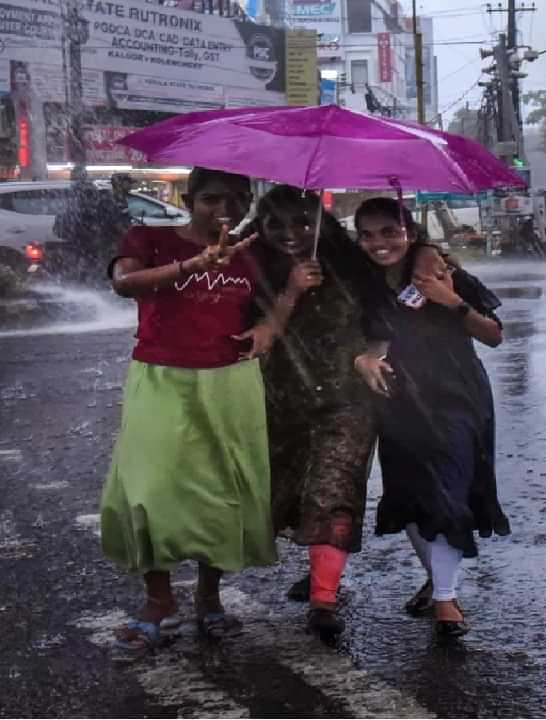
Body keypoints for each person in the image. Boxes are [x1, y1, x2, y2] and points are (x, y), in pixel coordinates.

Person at [100, 167, 285, 660]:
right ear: (188, 198)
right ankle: (158, 600)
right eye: (212, 198)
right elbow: (124, 283)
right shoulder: (149, 237)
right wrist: (196, 263)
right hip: (160, 378)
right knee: (149, 490)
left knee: (221, 492)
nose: (226, 207)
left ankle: (209, 598)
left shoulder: (252, 252)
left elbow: (279, 302)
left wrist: (272, 324)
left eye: (239, 197)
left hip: (230, 380)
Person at [352, 198, 509, 639]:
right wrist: (364, 359)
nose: (379, 243)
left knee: (448, 493)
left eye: (389, 231)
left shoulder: (441, 272)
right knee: (412, 499)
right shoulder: (360, 282)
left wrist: (451, 300)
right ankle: (439, 583)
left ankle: (445, 599)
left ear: (410, 232)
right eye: (367, 234)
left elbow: (494, 336)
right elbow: (368, 340)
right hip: (398, 401)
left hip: (456, 397)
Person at [250, 185, 378, 639]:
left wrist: (371, 353)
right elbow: (250, 338)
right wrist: (289, 290)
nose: (290, 233)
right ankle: (318, 571)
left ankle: (324, 599)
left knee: (334, 489)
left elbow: (388, 311)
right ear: (260, 226)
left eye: (303, 223)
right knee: (284, 494)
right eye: (276, 224)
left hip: (347, 402)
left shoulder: (352, 264)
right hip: (280, 402)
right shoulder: (249, 269)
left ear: (320, 224)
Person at [54, 173, 135, 279]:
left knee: (99, 265)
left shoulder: (117, 199)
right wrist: (127, 236)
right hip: (104, 241)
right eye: (128, 183)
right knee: (103, 266)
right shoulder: (110, 200)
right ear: (120, 184)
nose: (130, 186)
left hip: (100, 240)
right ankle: (96, 287)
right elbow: (114, 222)